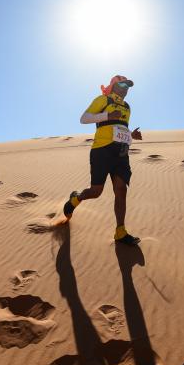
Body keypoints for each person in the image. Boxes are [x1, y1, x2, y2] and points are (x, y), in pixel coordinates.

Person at [63, 74, 143, 245]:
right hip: (102, 151)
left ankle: (120, 232)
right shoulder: (103, 100)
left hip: (121, 153)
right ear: (114, 85)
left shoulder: (127, 107)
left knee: (121, 190)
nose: (125, 88)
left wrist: (131, 135)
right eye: (122, 84)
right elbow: (84, 119)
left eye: (128, 86)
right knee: (96, 191)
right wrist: (107, 115)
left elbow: (119, 127)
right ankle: (75, 199)